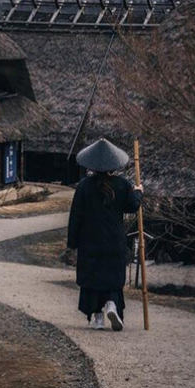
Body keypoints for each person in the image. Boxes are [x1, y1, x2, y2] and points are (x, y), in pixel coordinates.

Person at [65, 138, 142, 331]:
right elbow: (132, 206)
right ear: (114, 165)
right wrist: (138, 192)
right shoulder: (122, 185)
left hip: (89, 240)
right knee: (112, 276)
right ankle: (112, 304)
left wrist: (72, 242)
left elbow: (76, 216)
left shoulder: (84, 186)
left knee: (92, 278)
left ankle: (97, 318)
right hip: (114, 239)